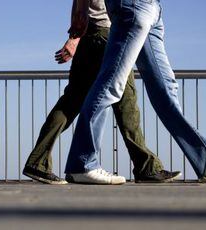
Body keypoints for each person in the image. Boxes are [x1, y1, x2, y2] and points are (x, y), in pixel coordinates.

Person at [64, 0, 206, 185]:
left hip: (153, 10)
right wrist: (82, 8)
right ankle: (82, 163)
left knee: (165, 89)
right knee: (111, 84)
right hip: (132, 6)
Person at [23, 0, 181, 184]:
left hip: (90, 37)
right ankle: (146, 167)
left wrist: (75, 37)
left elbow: (80, 6)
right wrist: (75, 38)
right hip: (109, 37)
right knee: (127, 105)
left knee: (71, 101)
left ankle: (37, 161)